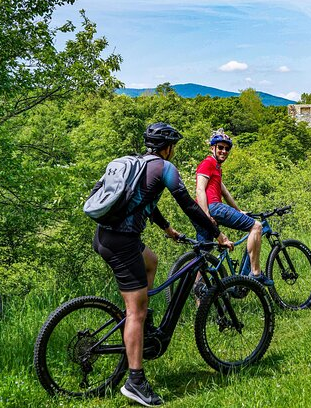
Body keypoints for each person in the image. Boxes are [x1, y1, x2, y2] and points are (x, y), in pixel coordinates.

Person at [91, 122, 232, 407]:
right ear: (167, 147)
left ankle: (142, 325)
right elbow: (190, 206)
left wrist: (167, 229)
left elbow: (145, 203)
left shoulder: (139, 165)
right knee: (135, 311)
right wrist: (217, 233)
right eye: (173, 147)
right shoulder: (165, 169)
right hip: (123, 242)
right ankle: (135, 381)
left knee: (151, 261)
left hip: (104, 236)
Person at [193, 129, 273, 286]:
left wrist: (238, 210)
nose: (224, 151)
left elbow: (225, 192)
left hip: (200, 213)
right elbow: (199, 189)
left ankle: (200, 299)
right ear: (212, 148)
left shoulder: (216, 168)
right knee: (256, 227)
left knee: (204, 256)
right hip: (212, 208)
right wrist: (207, 214)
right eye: (220, 147)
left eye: (227, 148)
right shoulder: (207, 163)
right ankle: (256, 272)